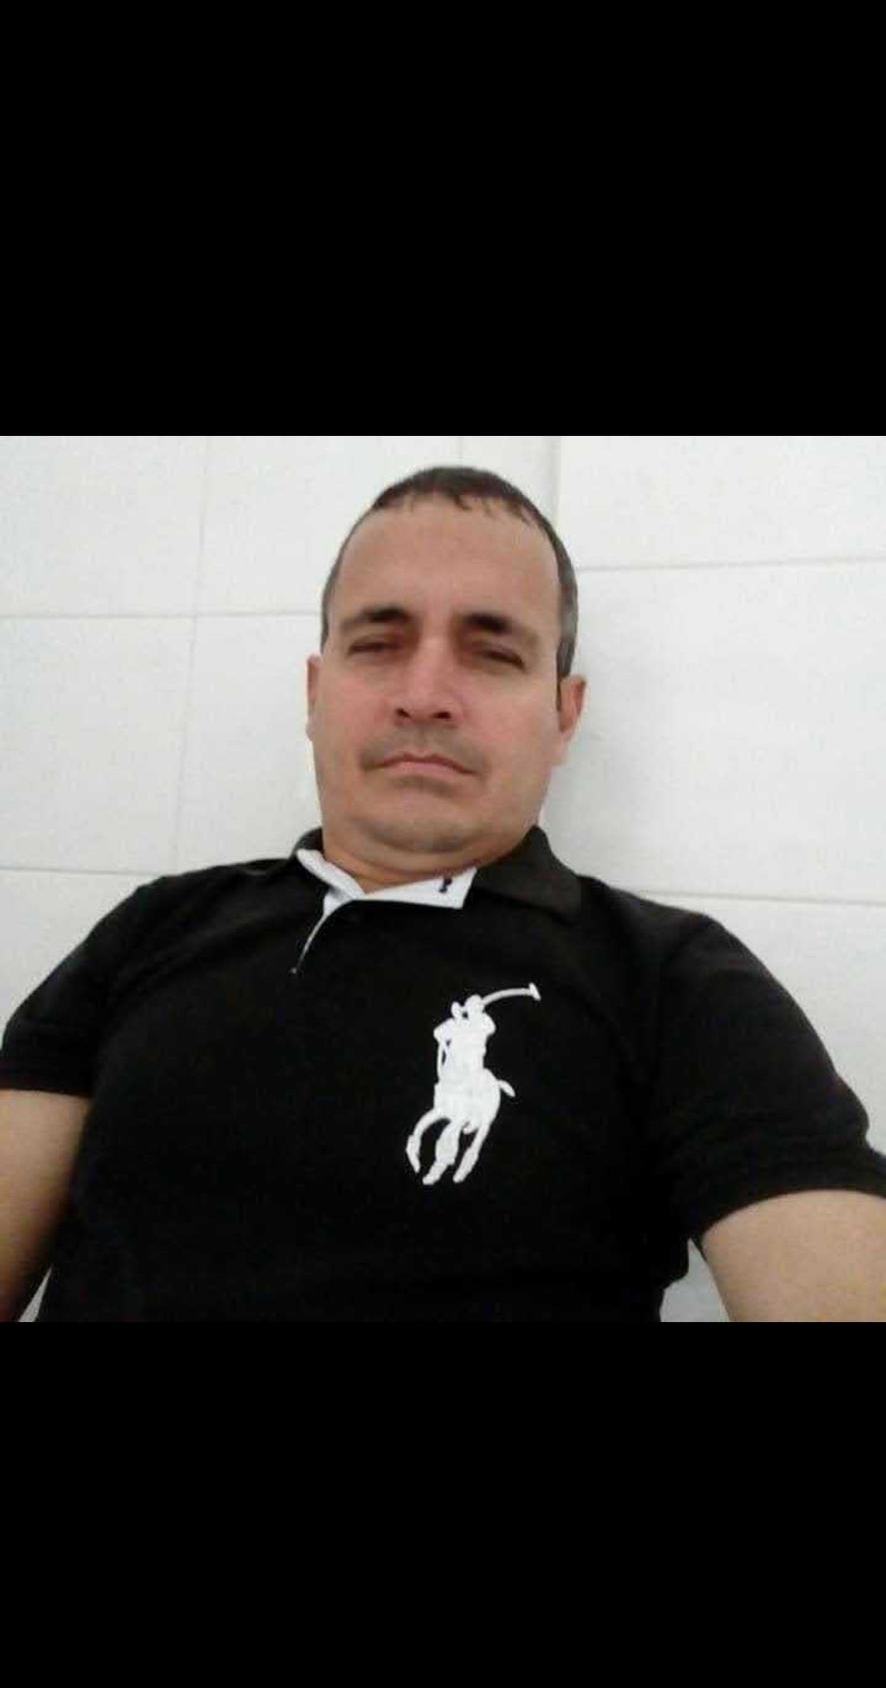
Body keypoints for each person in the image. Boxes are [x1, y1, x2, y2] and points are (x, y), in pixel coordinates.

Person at [2, 465, 886, 1322]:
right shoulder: (152, 930)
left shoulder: (678, 982)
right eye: (378, 645)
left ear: (564, 714)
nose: (424, 696)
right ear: (316, 692)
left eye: (493, 653)